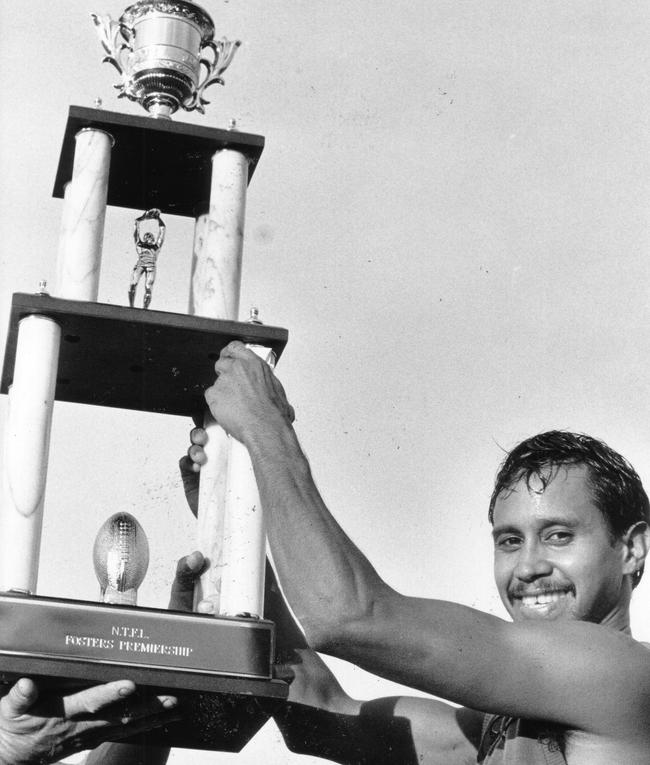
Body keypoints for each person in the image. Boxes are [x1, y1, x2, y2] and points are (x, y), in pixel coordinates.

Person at [182, 339, 650, 763]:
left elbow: (345, 616)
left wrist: (265, 427)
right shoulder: (501, 729)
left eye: (558, 536)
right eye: (510, 541)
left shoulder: (624, 676)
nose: (528, 567)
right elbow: (322, 718)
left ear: (631, 548)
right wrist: (232, 526)